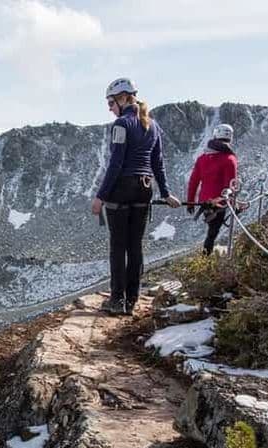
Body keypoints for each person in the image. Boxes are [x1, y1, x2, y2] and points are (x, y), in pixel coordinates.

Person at [92, 78, 181, 316]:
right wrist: (165, 192)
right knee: (135, 246)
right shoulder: (152, 125)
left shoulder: (121, 125)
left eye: (111, 102)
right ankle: (131, 300)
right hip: (144, 188)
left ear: (123, 99)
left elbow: (116, 163)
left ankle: (117, 301)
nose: (109, 108)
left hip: (122, 188)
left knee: (118, 247)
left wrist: (100, 196)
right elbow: (158, 163)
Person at [186, 124, 238, 255]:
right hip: (220, 202)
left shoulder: (202, 158)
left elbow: (194, 181)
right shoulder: (230, 159)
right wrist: (233, 204)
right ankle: (205, 260)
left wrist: (191, 201)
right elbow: (230, 186)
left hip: (205, 201)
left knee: (212, 231)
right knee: (212, 233)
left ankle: (205, 259)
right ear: (230, 138)